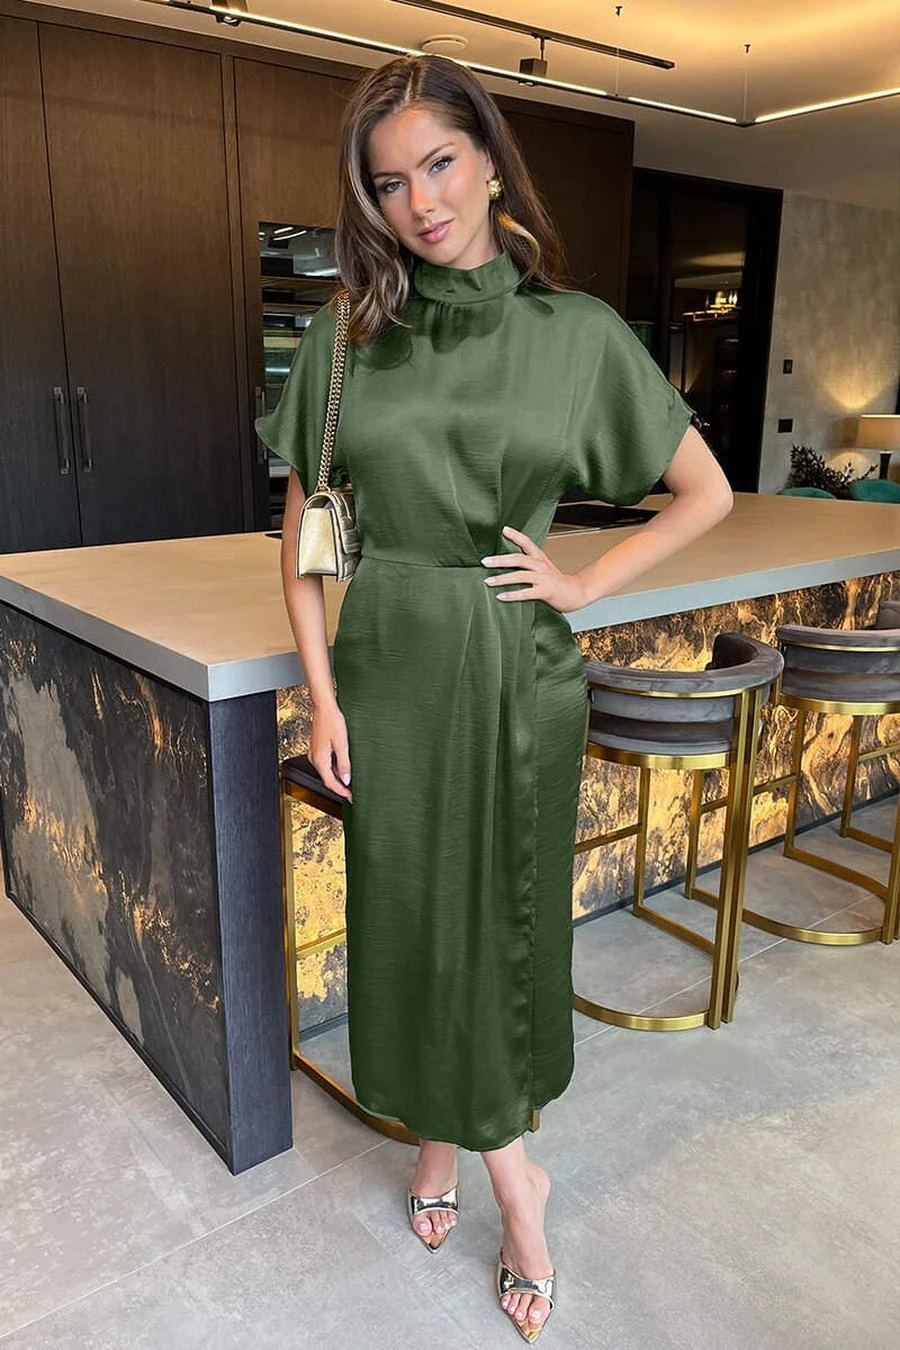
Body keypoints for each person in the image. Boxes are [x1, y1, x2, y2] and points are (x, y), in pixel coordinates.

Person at [256, 53, 733, 1343]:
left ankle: (510, 1184)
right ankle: (442, 1139)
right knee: (408, 922)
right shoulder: (346, 343)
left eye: (441, 164)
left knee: (496, 930)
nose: (421, 201)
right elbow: (304, 547)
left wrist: (584, 582)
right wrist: (323, 700)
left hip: (516, 665)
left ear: (488, 160)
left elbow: (706, 492)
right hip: (389, 667)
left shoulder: (573, 335)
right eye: (389, 183)